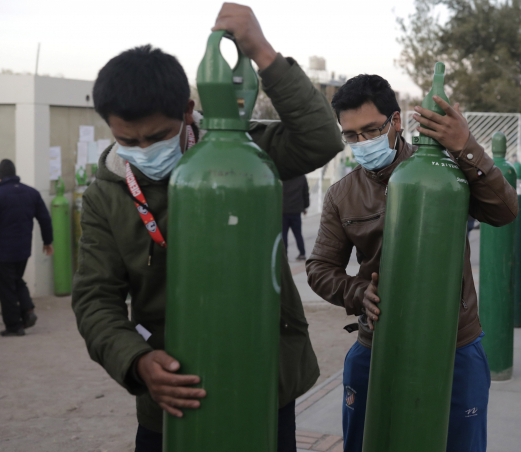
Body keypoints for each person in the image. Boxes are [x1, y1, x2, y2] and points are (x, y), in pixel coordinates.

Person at [71, 4, 343, 452]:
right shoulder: (107, 196)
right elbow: (95, 298)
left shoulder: (245, 153)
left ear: (187, 110)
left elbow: (320, 139)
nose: (144, 150)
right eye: (128, 140)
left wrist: (260, 51)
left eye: (157, 136)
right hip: (176, 385)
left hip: (263, 377)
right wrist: (137, 362)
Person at [305, 74, 518, 452]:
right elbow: (320, 268)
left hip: (455, 345)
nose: (362, 143)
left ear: (396, 121)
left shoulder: (448, 173)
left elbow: (505, 212)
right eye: (351, 136)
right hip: (376, 343)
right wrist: (358, 292)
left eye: (371, 130)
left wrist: (466, 147)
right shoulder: (342, 194)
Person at [0, 159, 54, 337]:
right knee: (16, 279)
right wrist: (48, 242)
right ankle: (28, 310)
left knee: (6, 287)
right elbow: (44, 219)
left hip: (3, 251)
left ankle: (14, 326)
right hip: (23, 249)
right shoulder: (31, 192)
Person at [282, 175, 309, 260]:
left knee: (283, 235)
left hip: (283, 210)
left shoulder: (282, 176)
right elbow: (305, 193)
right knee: (298, 234)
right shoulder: (301, 177)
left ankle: (284, 255)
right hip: (296, 211)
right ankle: (302, 253)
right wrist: (305, 206)